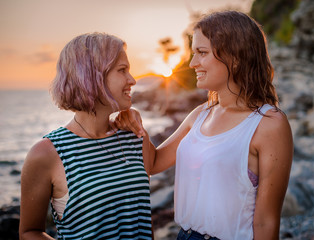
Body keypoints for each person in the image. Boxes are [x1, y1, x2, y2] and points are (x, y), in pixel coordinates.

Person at [115, 11, 293, 239]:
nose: (192, 63)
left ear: (235, 57)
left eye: (202, 53)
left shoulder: (269, 124)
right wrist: (137, 126)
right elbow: (154, 163)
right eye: (193, 53)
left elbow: (266, 221)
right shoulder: (201, 113)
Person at [19, 32, 164, 240]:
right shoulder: (46, 154)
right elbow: (29, 232)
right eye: (122, 70)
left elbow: (141, 210)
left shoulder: (132, 136)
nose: (132, 80)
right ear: (92, 77)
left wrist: (203, 112)